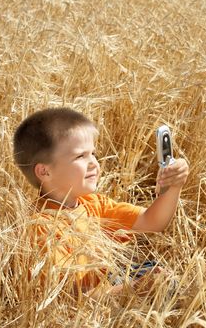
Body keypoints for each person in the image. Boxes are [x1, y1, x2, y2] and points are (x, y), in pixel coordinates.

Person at [13, 107, 189, 297]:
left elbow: (153, 222)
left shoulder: (93, 204)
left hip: (107, 289)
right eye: (80, 156)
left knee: (164, 279)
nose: (94, 164)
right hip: (84, 312)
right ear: (44, 172)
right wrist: (133, 290)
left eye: (93, 154)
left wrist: (174, 186)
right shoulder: (41, 227)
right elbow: (68, 298)